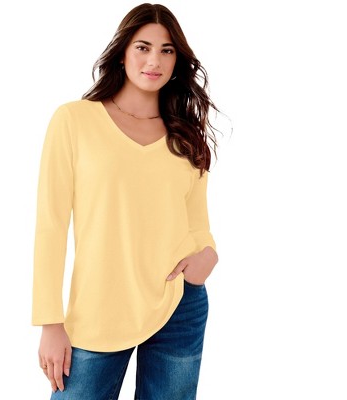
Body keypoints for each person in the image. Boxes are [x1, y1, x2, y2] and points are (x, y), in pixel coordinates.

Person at [32, 3, 221, 399]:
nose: (154, 61)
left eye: (167, 50)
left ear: (177, 61)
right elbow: (51, 224)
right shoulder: (75, 120)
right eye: (143, 47)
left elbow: (196, 221)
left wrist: (208, 255)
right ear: (122, 53)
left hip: (179, 303)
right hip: (99, 311)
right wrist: (50, 321)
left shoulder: (185, 135)